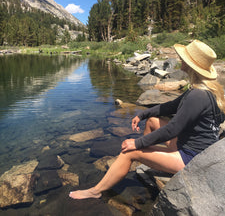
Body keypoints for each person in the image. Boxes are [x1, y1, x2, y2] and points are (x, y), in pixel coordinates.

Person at [69, 39, 225, 200]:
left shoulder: (197, 95)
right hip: (195, 147)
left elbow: (172, 129)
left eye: (183, 57)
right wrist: (142, 114)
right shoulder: (205, 90)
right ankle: (148, 159)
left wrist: (137, 144)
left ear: (191, 65)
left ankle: (95, 191)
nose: (179, 59)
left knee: (129, 152)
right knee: (152, 121)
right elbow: (170, 106)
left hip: (191, 158)